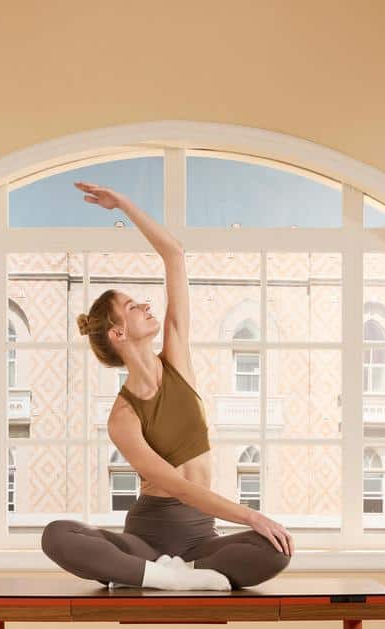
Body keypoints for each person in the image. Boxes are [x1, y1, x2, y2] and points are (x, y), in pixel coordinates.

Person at [39, 181, 293, 591]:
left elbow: (174, 253)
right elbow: (177, 486)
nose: (145, 306)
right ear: (119, 334)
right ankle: (161, 575)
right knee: (56, 535)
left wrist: (121, 204)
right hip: (145, 539)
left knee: (277, 548)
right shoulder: (121, 417)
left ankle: (179, 577)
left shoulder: (176, 356)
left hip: (200, 539)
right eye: (132, 307)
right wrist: (250, 514)